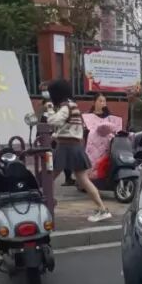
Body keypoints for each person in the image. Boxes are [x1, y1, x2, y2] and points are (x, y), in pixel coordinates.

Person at [42, 79, 112, 223]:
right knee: (83, 180)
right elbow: (69, 128)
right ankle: (102, 209)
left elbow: (53, 121)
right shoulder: (72, 106)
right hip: (75, 146)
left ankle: (43, 205)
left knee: (49, 177)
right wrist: (56, 135)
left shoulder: (66, 107)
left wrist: (49, 109)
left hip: (65, 147)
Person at [83, 94, 123, 179]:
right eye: (100, 101)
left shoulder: (110, 117)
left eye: (104, 101)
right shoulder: (88, 117)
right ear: (94, 102)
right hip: (92, 148)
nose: (102, 103)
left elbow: (116, 130)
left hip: (106, 147)